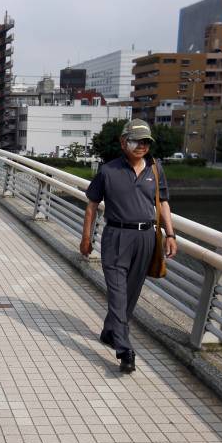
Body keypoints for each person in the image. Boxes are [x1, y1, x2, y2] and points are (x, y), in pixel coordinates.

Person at [79, 119, 177, 374]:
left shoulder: (156, 169)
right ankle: (124, 349)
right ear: (123, 143)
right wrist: (86, 238)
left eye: (145, 142)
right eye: (136, 141)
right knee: (118, 294)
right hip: (116, 237)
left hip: (146, 238)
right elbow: (91, 205)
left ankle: (110, 332)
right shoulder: (108, 170)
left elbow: (163, 202)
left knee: (130, 295)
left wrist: (170, 234)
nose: (141, 146)